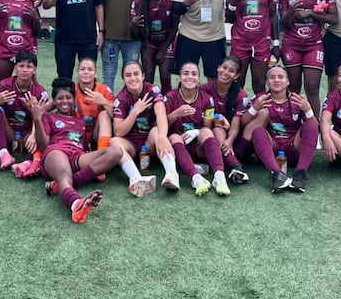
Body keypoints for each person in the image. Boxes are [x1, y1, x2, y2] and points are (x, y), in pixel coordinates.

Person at [30, 78, 123, 224]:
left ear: (74, 100)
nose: (64, 101)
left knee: (115, 152)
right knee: (64, 172)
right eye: (60, 98)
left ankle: (62, 184)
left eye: (68, 97)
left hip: (77, 155)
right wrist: (37, 120)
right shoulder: (48, 116)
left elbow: (84, 146)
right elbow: (43, 145)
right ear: (54, 101)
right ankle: (76, 204)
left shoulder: (80, 122)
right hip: (56, 151)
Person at [245, 65, 319, 194]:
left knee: (311, 125)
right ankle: (276, 175)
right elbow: (243, 123)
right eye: (272, 77)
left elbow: (315, 128)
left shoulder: (297, 99)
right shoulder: (260, 98)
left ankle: (300, 174)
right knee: (257, 131)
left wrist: (308, 110)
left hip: (293, 147)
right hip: (272, 150)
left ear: (288, 81)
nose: (276, 80)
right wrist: (254, 108)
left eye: (280, 77)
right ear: (267, 82)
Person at [280, 0, 338, 118]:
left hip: (314, 45)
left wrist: (311, 14)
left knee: (312, 87)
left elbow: (334, 19)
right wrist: (291, 12)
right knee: (293, 87)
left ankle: (314, 124)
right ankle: (293, 123)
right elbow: (283, 25)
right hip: (291, 44)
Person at [111, 61, 179, 193]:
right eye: (128, 75)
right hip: (132, 144)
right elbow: (118, 132)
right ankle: (136, 179)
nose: (133, 78)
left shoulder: (152, 90)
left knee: (157, 131)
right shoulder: (121, 98)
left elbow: (161, 113)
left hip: (149, 142)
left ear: (143, 76)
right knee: (114, 142)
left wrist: (162, 137)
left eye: (136, 74)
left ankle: (171, 174)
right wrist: (135, 111)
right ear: (123, 79)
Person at [164, 62, 229, 196]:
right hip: (178, 146)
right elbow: (162, 125)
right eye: (186, 73)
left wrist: (196, 132)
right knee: (174, 137)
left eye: (194, 74)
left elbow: (207, 126)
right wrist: (176, 113)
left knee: (207, 131)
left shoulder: (207, 99)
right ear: (180, 77)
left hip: (199, 147)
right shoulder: (170, 97)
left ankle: (219, 177)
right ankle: (196, 178)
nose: (190, 77)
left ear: (199, 79)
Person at [226, 0, 280, 93]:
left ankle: (259, 108)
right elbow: (229, 18)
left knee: (260, 84)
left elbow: (273, 16)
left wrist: (276, 43)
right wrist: (232, 4)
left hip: (261, 43)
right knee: (236, 84)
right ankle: (237, 108)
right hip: (240, 42)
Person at [0, 50, 49, 176]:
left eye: (29, 66)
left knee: (44, 124)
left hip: (27, 134)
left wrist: (33, 133)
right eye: (21, 66)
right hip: (9, 131)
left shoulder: (40, 92)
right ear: (16, 68)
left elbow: (44, 118)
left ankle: (28, 163)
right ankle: (4, 154)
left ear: (35, 70)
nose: (25, 70)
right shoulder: (4, 85)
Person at [200, 56, 252, 185]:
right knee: (218, 128)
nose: (226, 72)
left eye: (231, 71)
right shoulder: (204, 89)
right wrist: (218, 117)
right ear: (218, 68)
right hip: (209, 133)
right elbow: (203, 119)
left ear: (236, 76)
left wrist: (230, 140)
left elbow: (236, 123)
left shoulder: (240, 95)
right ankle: (234, 165)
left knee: (219, 129)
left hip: (233, 134)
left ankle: (233, 163)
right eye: (224, 68)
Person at [130, 0, 179, 94]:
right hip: (149, 42)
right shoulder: (139, 1)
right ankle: (148, 103)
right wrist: (132, 26)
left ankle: (167, 103)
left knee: (165, 76)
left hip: (167, 41)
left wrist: (162, 50)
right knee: (148, 77)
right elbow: (136, 34)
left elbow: (175, 28)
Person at [73, 58, 113, 153]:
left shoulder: (104, 90)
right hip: (76, 134)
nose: (86, 72)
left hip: (96, 135)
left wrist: (104, 102)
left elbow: (117, 116)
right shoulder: (71, 90)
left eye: (90, 69)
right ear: (78, 72)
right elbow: (55, 103)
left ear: (96, 74)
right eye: (82, 69)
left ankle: (102, 152)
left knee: (104, 114)